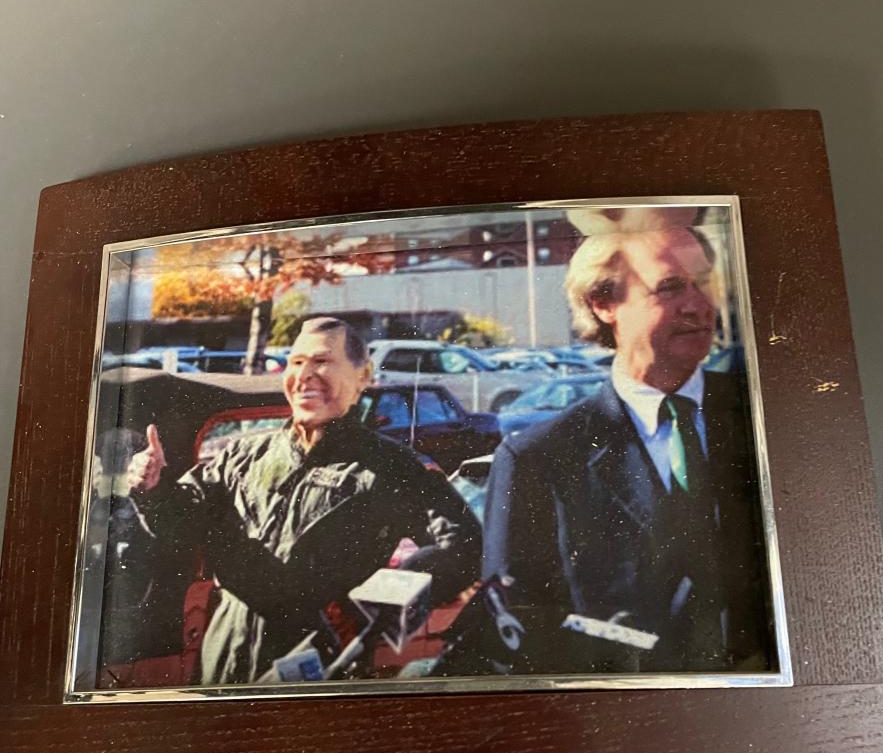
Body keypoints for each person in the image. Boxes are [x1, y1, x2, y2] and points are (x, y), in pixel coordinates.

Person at [124, 318, 482, 685]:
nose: (306, 374)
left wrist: (370, 611)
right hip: (225, 651)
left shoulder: (390, 467)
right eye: (296, 362)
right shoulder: (243, 456)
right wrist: (154, 488)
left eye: (322, 361)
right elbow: (180, 525)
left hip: (318, 664)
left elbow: (463, 545)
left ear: (363, 376)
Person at [482, 224, 770, 675]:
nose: (697, 304)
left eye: (705, 284)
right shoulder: (539, 458)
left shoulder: (765, 414)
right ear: (604, 303)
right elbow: (517, 632)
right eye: (670, 287)